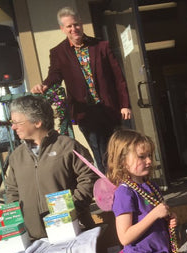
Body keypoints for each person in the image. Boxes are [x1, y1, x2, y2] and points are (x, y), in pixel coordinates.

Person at [31, 6, 131, 174]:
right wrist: (45, 85)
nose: (73, 29)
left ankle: (125, 183)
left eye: (76, 24)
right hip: (86, 113)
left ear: (81, 24)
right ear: (62, 29)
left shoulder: (101, 46)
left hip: (109, 109)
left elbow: (118, 78)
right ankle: (111, 187)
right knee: (100, 152)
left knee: (118, 149)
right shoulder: (58, 52)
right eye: (69, 26)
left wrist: (125, 104)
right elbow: (55, 74)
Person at [5, 95, 97, 240]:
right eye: (12, 122)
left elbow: (89, 177)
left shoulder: (68, 146)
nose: (13, 127)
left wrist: (73, 209)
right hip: (34, 239)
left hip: (73, 232)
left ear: (37, 122)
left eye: (17, 122)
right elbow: (12, 193)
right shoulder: (16, 156)